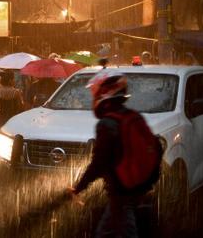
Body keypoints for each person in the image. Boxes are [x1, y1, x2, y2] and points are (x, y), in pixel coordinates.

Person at [66, 69, 161, 237]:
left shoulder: (107, 123)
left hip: (121, 191)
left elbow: (99, 163)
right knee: (113, 228)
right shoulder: (132, 116)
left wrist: (79, 187)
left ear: (104, 93)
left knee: (119, 230)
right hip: (137, 187)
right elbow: (156, 147)